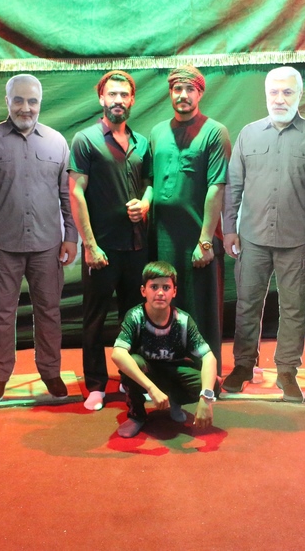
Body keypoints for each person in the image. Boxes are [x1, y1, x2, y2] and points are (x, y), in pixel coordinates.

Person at [222, 66, 305, 402]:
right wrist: (229, 229)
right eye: (273, 92)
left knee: (293, 309)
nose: (279, 99)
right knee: (247, 305)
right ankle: (244, 365)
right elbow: (233, 186)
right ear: (266, 94)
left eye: (287, 92)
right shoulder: (248, 135)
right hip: (252, 239)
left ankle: (287, 371)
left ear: (300, 95)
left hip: (298, 242)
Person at [0, 74, 77, 401]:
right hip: (1, 246)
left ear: (40, 103)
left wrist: (71, 236)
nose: (25, 108)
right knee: (1, 313)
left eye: (32, 101)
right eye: (18, 100)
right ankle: (0, 375)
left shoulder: (57, 142)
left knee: (49, 312)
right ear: (7, 101)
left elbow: (66, 193)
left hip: (48, 246)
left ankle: (51, 372)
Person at [69, 70, 152, 411]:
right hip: (101, 250)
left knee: (135, 320)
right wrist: (89, 245)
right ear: (101, 98)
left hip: (137, 248)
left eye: (124, 95)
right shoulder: (85, 140)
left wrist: (145, 204)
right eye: (112, 94)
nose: (118, 100)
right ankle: (96, 386)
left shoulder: (142, 142)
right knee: (95, 320)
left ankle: (135, 383)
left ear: (132, 100)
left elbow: (150, 184)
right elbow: (75, 192)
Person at [149, 66, 231, 374]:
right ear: (170, 93)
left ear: (200, 93)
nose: (182, 95)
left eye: (189, 89)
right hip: (162, 238)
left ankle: (204, 378)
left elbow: (217, 187)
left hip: (198, 238)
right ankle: (169, 375)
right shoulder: (157, 132)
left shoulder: (214, 131)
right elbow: (151, 181)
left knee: (200, 308)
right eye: (177, 89)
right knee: (164, 307)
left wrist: (205, 241)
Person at [110, 261, 217, 438]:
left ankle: (175, 401)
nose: (160, 293)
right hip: (147, 373)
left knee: (213, 383)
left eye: (166, 287)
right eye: (154, 287)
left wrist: (206, 398)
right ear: (143, 291)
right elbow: (117, 354)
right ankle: (137, 415)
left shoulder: (183, 320)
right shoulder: (135, 316)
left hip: (173, 373)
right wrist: (151, 389)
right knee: (132, 362)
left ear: (174, 292)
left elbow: (209, 357)